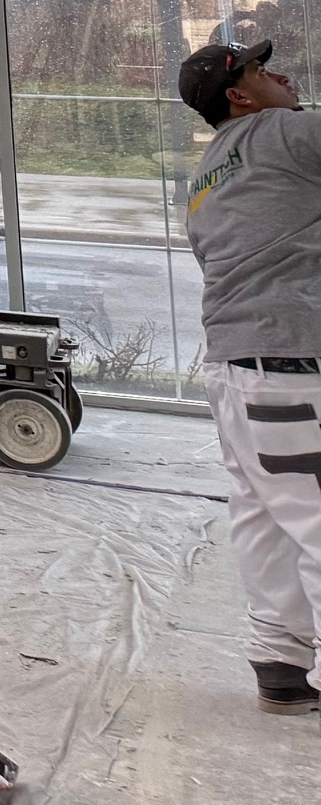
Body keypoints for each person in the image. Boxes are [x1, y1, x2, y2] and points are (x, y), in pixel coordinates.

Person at [181, 37, 321, 714]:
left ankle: (280, 664)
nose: (284, 75)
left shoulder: (205, 174)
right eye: (264, 71)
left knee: (265, 514)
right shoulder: (289, 133)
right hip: (294, 368)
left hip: (233, 369)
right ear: (240, 94)